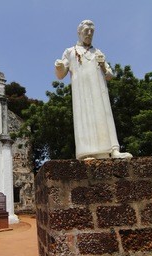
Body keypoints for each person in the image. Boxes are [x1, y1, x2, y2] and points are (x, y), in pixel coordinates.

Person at [55, 20, 132, 160]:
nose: (89, 34)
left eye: (92, 32)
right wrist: (59, 66)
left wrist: (103, 66)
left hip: (99, 90)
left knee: (104, 115)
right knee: (84, 117)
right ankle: (87, 152)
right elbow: (61, 74)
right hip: (82, 92)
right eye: (86, 31)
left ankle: (113, 150)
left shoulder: (98, 52)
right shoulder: (70, 52)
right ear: (79, 32)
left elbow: (109, 75)